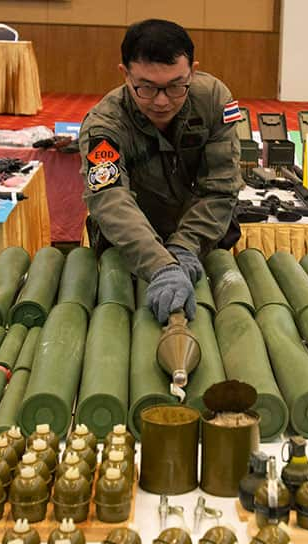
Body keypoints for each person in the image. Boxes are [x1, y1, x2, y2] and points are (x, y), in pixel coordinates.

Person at [79, 19, 243, 324]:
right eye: (147, 87)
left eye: (175, 86)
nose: (162, 101)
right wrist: (160, 265)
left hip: (202, 238)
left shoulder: (213, 100)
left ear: (193, 71)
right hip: (131, 246)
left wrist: (185, 246)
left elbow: (220, 187)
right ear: (125, 74)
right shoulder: (104, 125)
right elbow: (110, 199)